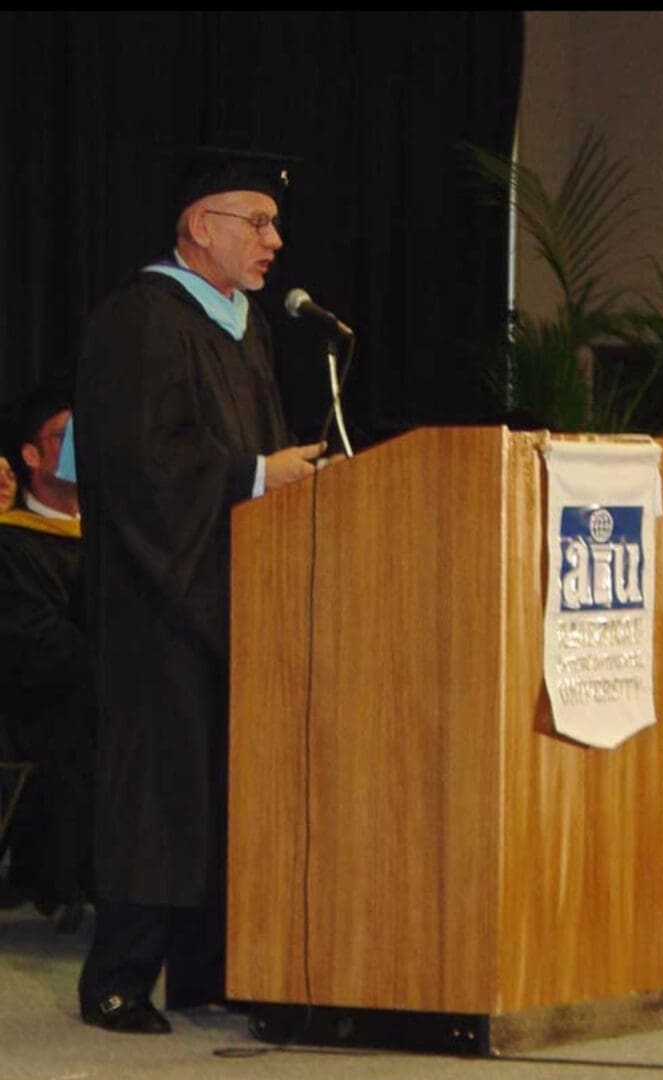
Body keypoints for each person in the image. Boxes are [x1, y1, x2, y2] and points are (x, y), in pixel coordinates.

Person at [74, 147, 326, 1035]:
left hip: (234, 593)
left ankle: (212, 972)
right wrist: (260, 472)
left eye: (272, 223)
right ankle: (117, 979)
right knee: (161, 789)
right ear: (198, 226)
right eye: (256, 221)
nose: (274, 240)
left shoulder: (244, 325)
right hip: (158, 599)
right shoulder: (141, 320)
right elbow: (142, 463)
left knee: (229, 786)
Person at [0, 387, 94, 927]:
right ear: (30, 456)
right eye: (67, 438)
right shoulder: (12, 542)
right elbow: (31, 644)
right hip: (41, 706)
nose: (84, 449)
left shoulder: (117, 533)